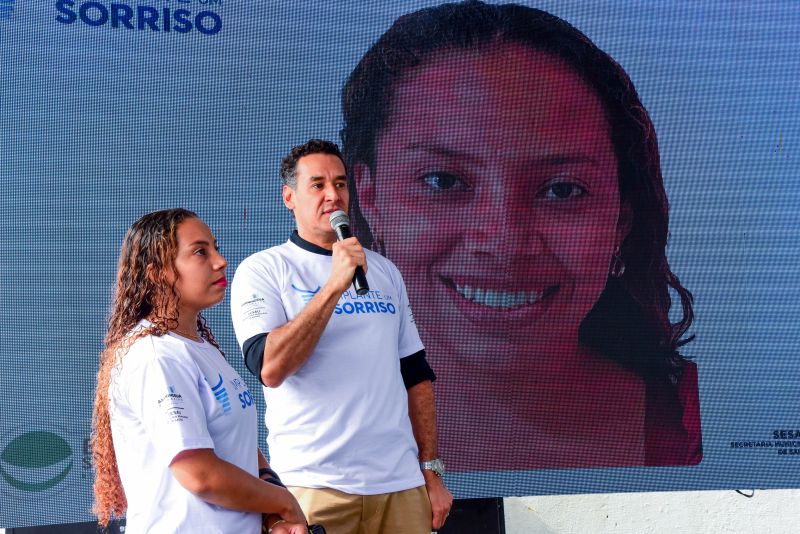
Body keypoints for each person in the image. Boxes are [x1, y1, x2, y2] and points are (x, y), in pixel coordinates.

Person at [341, 0, 702, 471]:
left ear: (622, 218)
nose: (505, 243)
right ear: (370, 197)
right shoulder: (303, 415)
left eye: (562, 189)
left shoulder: (699, 414)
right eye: (443, 181)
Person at [230, 139, 453, 533]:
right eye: (317, 185)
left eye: (341, 183)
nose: (333, 195)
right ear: (289, 197)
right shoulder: (264, 270)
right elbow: (270, 367)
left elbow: (416, 374)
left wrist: (431, 471)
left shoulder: (384, 272)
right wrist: (333, 285)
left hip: (400, 486)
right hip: (313, 486)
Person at [91, 209, 308, 533]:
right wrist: (283, 503)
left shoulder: (200, 348)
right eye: (200, 252)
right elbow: (198, 474)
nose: (220, 261)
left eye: (215, 248)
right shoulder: (155, 356)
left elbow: (242, 449)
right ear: (157, 273)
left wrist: (274, 512)